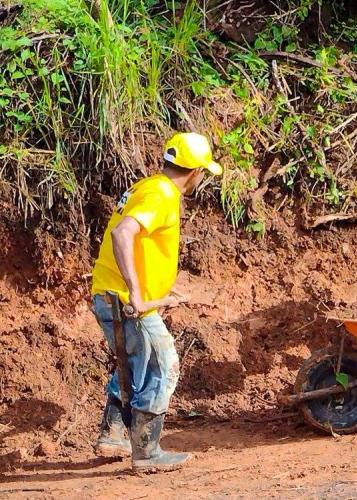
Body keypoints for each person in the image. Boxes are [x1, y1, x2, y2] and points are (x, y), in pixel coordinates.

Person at [91, 132, 222, 470]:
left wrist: (157, 291)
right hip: (125, 300)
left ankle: (114, 433)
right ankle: (147, 452)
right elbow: (124, 234)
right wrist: (136, 291)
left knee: (136, 362)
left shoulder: (148, 186)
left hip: (112, 293)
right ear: (195, 173)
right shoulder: (163, 195)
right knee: (163, 364)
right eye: (202, 173)